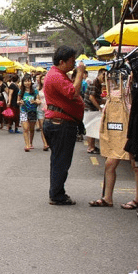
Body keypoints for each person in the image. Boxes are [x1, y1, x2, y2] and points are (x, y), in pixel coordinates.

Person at [43, 46, 85, 206]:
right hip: (60, 125)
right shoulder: (56, 76)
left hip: (60, 123)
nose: (74, 64)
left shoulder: (57, 74)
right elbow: (73, 93)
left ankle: (57, 192)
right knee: (61, 161)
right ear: (62, 62)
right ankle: (57, 194)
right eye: (72, 61)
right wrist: (80, 72)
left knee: (58, 160)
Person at [83, 69, 106, 154]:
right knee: (91, 128)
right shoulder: (94, 83)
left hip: (91, 109)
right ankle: (90, 147)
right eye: (103, 75)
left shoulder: (99, 84)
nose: (104, 77)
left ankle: (92, 146)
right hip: (90, 108)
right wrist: (100, 108)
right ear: (99, 74)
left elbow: (96, 97)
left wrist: (102, 101)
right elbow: (91, 97)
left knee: (92, 128)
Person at [17, 74, 40, 151]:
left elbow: (38, 101)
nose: (27, 83)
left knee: (31, 129)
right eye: (25, 81)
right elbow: (17, 101)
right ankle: (27, 145)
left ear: (31, 82)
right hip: (24, 111)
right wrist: (20, 102)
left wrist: (35, 101)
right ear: (23, 82)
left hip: (32, 111)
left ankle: (30, 143)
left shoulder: (35, 91)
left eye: (29, 81)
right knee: (25, 128)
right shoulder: (21, 91)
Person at [36, 75, 49, 151]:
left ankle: (49, 141)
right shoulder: (38, 89)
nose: (43, 80)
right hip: (40, 109)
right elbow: (37, 99)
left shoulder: (51, 88)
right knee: (42, 128)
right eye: (42, 79)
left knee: (48, 128)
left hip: (50, 110)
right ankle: (45, 144)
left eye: (45, 78)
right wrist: (37, 101)